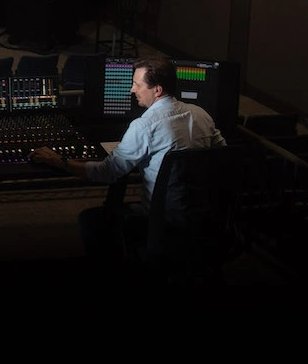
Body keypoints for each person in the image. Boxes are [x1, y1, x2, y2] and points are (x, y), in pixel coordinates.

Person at [30, 56, 226, 273]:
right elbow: (222, 155)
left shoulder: (144, 126)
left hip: (163, 222)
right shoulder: (201, 115)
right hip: (205, 218)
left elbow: (107, 172)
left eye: (137, 85)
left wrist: (59, 161)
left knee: (91, 219)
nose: (132, 90)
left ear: (157, 90)